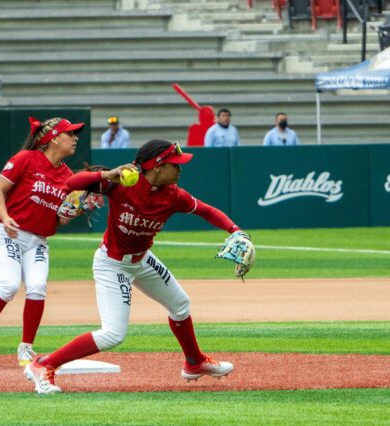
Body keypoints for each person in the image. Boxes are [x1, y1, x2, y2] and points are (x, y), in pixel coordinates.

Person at [23, 139, 249, 394]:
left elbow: (206, 211)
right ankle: (44, 364)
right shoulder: (120, 184)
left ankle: (194, 363)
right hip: (112, 264)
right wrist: (108, 174)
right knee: (113, 334)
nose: (180, 169)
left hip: (142, 260)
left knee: (180, 304)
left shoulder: (173, 196)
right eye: (174, 165)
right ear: (157, 167)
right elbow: (72, 183)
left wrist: (235, 231)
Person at [0, 116, 86, 367]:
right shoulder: (26, 159)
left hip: (37, 241)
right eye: (70, 133)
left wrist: (72, 213)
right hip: (9, 234)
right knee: (9, 285)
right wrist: (4, 217)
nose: (75, 138)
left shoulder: (67, 177)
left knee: (37, 287)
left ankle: (25, 348)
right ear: (54, 138)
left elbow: (58, 220)